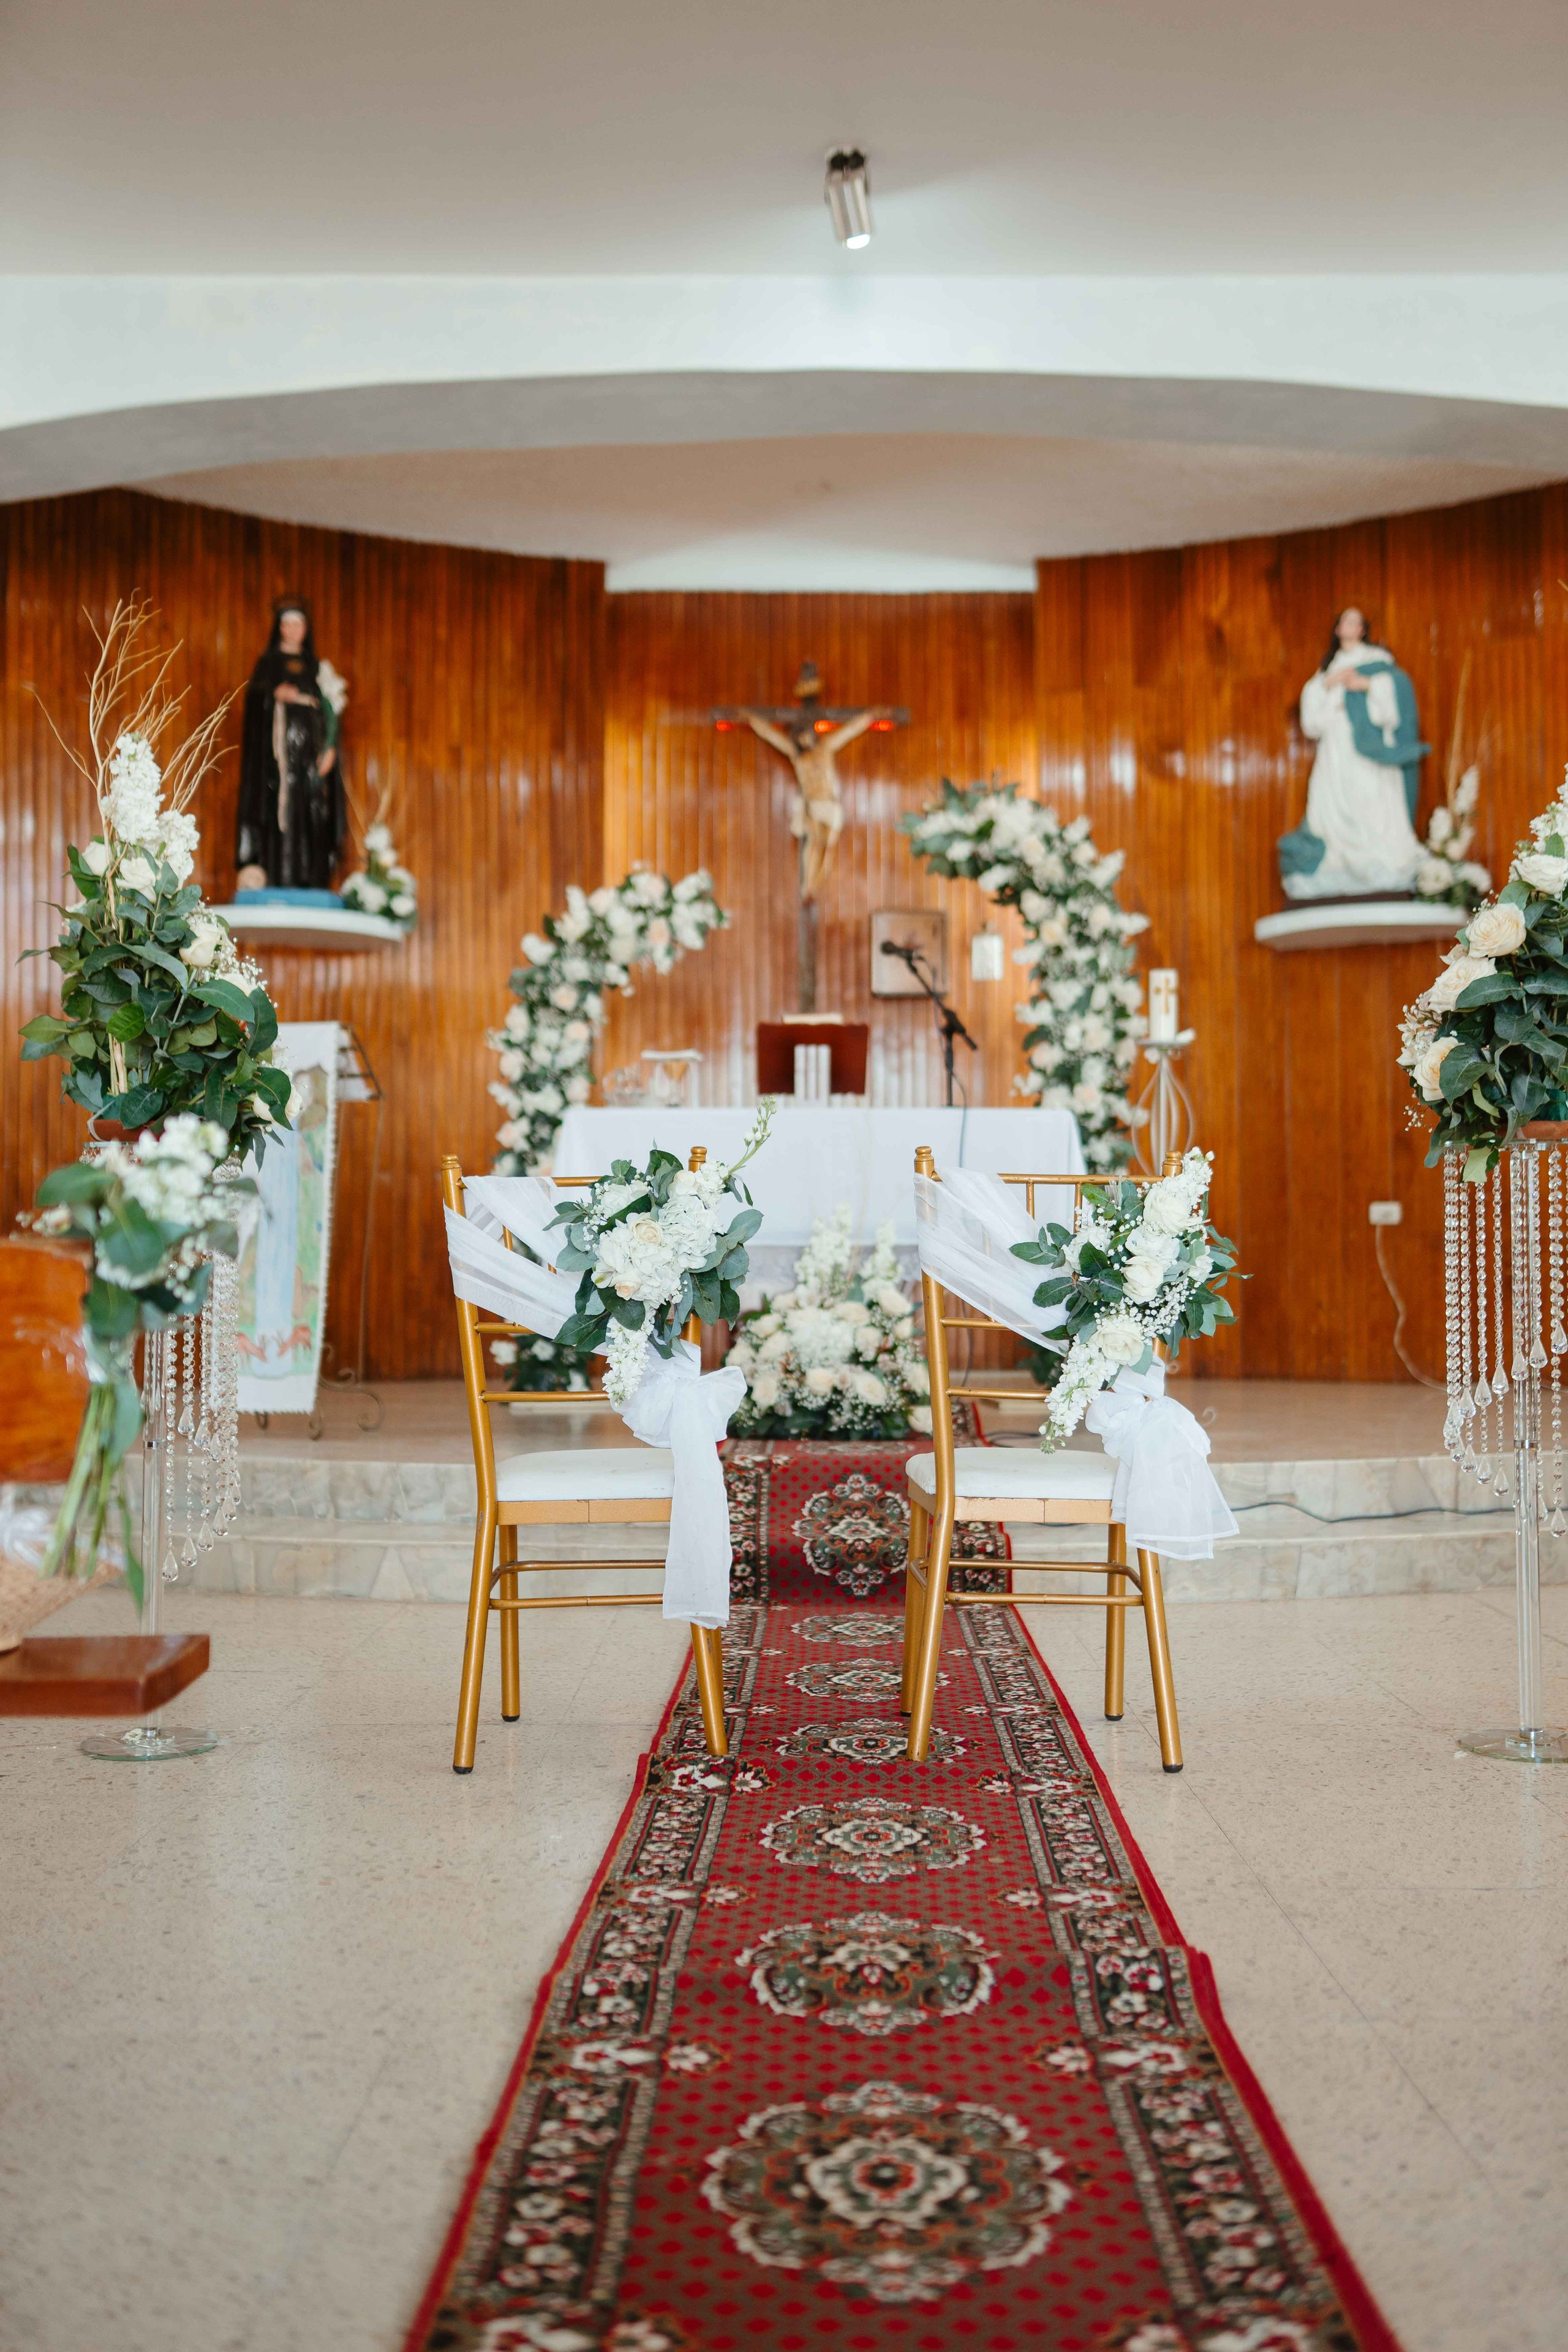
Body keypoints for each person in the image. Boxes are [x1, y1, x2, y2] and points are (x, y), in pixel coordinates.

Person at [1278, 607, 1428, 900]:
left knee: (1371, 796)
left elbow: (1396, 691)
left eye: (1356, 622)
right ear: (1337, 630)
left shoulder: (1376, 661)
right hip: (1336, 748)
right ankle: (1338, 862)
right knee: (1331, 803)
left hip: (1367, 746)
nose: (1350, 626)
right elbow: (1311, 720)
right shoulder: (1328, 670)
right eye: (1345, 621)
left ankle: (1380, 861)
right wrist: (1329, 683)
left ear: (1362, 630)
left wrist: (1367, 685)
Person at [235, 597, 347, 892]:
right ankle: (277, 877)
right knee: (279, 813)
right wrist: (274, 695)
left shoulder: (316, 667)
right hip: (277, 763)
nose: (292, 630)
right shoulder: (268, 664)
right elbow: (254, 702)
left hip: (311, 761)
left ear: (305, 629)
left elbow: (329, 710)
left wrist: (330, 748)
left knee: (312, 813)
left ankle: (312, 879)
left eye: (298, 624)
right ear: (280, 628)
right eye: (287, 624)